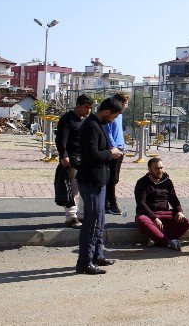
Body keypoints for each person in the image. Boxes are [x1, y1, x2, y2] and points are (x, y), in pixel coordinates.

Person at [75, 97, 123, 275]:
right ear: (106, 112)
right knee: (92, 222)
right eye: (113, 117)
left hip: (100, 181)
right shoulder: (91, 126)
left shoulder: (98, 124)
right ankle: (84, 262)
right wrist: (111, 153)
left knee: (100, 221)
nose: (112, 121)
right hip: (91, 180)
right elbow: (92, 155)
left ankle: (97, 254)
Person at [134, 157, 189, 251]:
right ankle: (169, 242)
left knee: (185, 222)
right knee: (141, 220)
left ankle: (157, 239)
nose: (159, 171)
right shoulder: (142, 182)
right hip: (149, 215)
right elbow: (141, 203)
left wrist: (179, 211)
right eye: (156, 168)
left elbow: (173, 199)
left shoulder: (167, 182)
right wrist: (154, 218)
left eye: (161, 168)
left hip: (165, 213)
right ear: (149, 169)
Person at [55, 94, 93, 228]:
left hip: (83, 160)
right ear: (78, 106)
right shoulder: (67, 119)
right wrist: (63, 156)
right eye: (86, 107)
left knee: (84, 189)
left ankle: (82, 215)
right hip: (71, 160)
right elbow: (60, 139)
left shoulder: (85, 120)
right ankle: (71, 217)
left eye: (90, 107)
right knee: (71, 190)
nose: (88, 110)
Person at [104, 92, 130, 215]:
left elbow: (117, 131)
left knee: (114, 178)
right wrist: (113, 146)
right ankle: (111, 204)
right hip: (113, 150)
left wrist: (122, 146)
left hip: (120, 148)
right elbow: (108, 131)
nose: (126, 106)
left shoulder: (119, 115)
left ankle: (106, 203)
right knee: (112, 178)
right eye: (125, 103)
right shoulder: (111, 114)